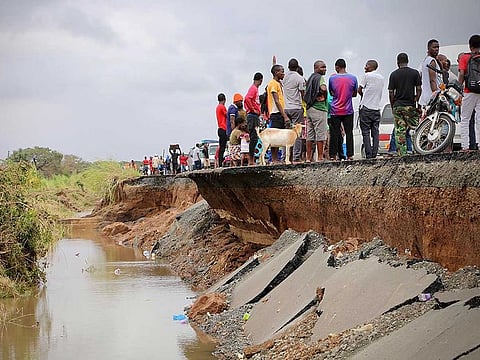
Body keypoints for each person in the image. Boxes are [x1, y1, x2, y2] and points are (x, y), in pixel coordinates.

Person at [388, 52, 422, 156]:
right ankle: (415, 149)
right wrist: (416, 98)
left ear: (397, 62)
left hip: (398, 106)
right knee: (414, 127)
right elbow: (419, 89)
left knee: (400, 130)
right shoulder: (415, 73)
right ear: (407, 61)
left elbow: (391, 92)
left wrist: (393, 104)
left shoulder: (394, 74)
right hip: (410, 106)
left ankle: (402, 154)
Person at [328, 58, 358, 160]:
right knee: (349, 132)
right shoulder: (353, 78)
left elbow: (331, 92)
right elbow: (354, 93)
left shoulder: (332, 79)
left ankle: (333, 155)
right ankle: (350, 155)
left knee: (334, 133)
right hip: (348, 109)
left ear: (337, 67)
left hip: (335, 110)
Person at [358, 60, 385, 159]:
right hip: (377, 108)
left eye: (366, 66)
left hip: (366, 108)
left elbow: (359, 89)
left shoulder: (367, 76)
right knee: (375, 132)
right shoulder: (381, 78)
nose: (365, 67)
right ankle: (375, 153)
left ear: (371, 67)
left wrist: (364, 96)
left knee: (365, 132)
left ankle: (368, 155)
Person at [458, 34, 480, 151]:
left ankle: (465, 146)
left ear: (470, 46)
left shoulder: (465, 57)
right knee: (479, 118)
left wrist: (457, 87)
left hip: (469, 91)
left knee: (465, 118)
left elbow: (462, 74)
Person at [304, 60, 328, 162]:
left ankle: (308, 158)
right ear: (316, 68)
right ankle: (320, 157)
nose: (324, 69)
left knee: (310, 134)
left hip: (309, 108)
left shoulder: (310, 78)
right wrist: (324, 95)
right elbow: (323, 88)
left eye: (325, 67)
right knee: (320, 134)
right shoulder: (320, 78)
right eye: (322, 67)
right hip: (319, 108)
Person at [283, 58, 306, 163]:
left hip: (286, 108)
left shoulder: (284, 77)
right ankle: (296, 157)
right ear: (297, 67)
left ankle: (285, 157)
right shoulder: (300, 78)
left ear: (288, 66)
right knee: (297, 134)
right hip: (296, 108)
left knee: (287, 133)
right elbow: (302, 94)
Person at [267, 64, 289, 163]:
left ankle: (276, 158)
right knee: (275, 137)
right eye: (282, 71)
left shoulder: (278, 83)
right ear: (276, 73)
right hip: (276, 113)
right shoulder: (273, 84)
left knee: (279, 137)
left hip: (280, 112)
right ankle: (274, 159)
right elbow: (276, 101)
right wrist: (284, 116)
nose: (283, 73)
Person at [244, 72, 263, 165]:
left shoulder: (254, 89)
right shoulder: (254, 89)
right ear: (260, 80)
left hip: (254, 115)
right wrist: (253, 109)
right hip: (252, 115)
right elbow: (247, 99)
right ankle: (251, 160)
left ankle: (252, 159)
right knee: (253, 137)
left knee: (254, 137)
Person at [419, 39, 442, 107]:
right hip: (432, 97)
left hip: (425, 97)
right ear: (428, 49)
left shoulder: (425, 61)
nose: (437, 49)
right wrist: (435, 95)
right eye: (434, 47)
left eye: (438, 47)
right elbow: (432, 80)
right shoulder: (432, 61)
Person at [216, 93, 228, 167]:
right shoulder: (222, 107)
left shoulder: (217, 107)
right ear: (224, 100)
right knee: (223, 147)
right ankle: (221, 162)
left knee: (221, 147)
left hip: (220, 128)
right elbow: (227, 115)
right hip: (223, 128)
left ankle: (220, 162)